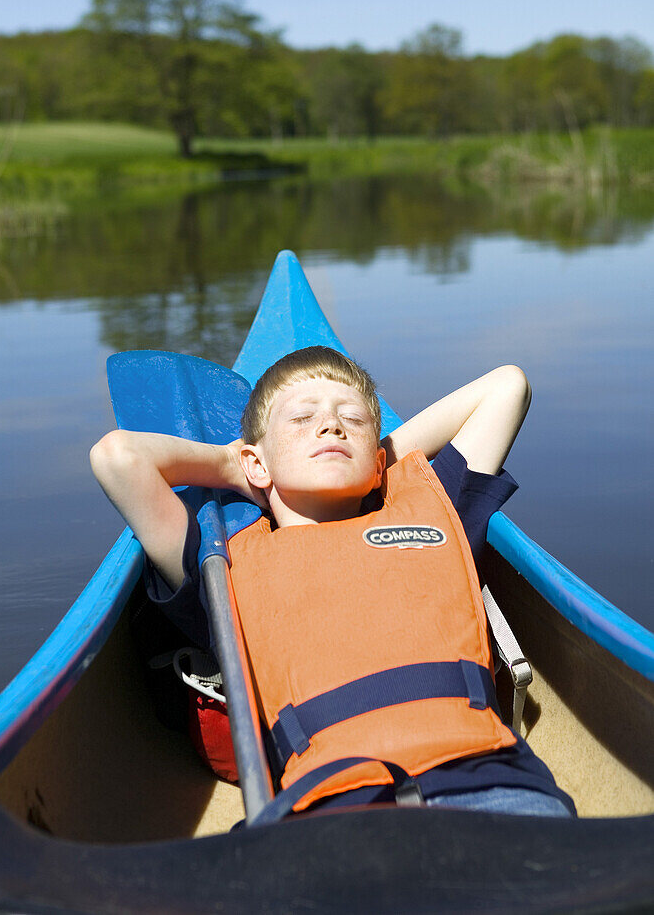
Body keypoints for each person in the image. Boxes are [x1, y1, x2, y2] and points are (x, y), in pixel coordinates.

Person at [90, 346, 576, 818]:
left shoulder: (433, 503)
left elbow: (507, 387)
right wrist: (233, 466)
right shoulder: (227, 566)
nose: (331, 425)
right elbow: (119, 458)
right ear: (256, 463)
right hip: (335, 808)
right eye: (303, 419)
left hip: (492, 782)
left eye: (354, 419)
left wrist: (371, 462)